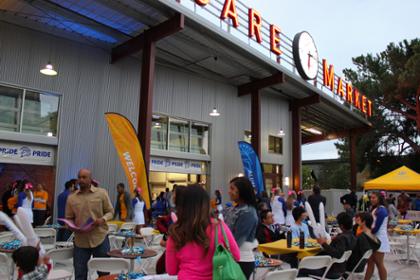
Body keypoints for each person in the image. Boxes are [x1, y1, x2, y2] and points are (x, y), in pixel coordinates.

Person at [165, 184, 240, 280]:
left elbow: (171, 270)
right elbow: (236, 256)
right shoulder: (219, 227)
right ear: (206, 204)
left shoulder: (176, 231)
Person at [65, 169, 114, 280]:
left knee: (104, 274)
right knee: (80, 274)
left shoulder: (101, 193)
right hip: (80, 241)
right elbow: (69, 218)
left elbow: (110, 211)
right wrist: (72, 226)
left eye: (84, 177)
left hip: (100, 238)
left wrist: (102, 219)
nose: (81, 179)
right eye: (79, 177)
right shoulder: (71, 198)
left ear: (90, 179)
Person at [299, 212, 356, 278]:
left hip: (331, 271)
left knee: (302, 268)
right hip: (341, 270)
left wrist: (323, 243)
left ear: (342, 226)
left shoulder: (342, 238)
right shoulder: (352, 237)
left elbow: (338, 254)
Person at [224, 177, 259, 279]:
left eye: (232, 188)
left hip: (241, 261)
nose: (229, 191)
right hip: (232, 258)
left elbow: (237, 240)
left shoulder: (248, 212)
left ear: (242, 191)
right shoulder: (234, 209)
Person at [364, 192, 389, 280]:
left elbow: (376, 228)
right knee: (370, 262)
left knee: (379, 263)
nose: (371, 199)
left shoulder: (381, 210)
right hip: (373, 239)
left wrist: (365, 230)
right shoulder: (375, 209)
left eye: (374, 198)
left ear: (379, 198)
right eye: (371, 198)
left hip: (379, 240)